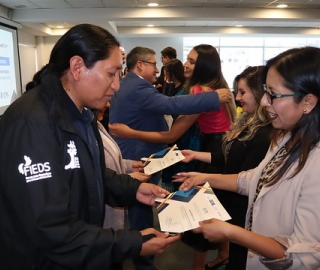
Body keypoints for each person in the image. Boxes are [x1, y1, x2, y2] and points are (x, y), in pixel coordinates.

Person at [0, 23, 180, 270]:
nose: (116, 85)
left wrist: (132, 189)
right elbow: (50, 228)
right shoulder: (32, 124)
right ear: (77, 67)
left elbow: (89, 171)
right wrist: (132, 243)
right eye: (111, 73)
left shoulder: (81, 113)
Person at [174, 46, 320, 270]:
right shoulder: (285, 138)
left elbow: (303, 256)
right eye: (265, 92)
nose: (264, 102)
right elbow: (254, 179)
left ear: (308, 102)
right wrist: (203, 177)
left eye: (274, 94)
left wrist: (231, 232)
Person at [109, 46, 232, 270]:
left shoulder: (136, 84)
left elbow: (173, 121)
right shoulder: (138, 86)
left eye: (191, 61)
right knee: (140, 208)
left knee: (212, 208)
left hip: (203, 150)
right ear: (140, 65)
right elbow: (171, 106)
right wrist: (213, 98)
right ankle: (144, 260)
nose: (159, 69)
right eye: (154, 64)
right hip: (141, 153)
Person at [180, 66, 272, 270]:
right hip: (235, 199)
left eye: (243, 92)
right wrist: (196, 155)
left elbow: (247, 178)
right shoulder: (248, 121)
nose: (237, 97)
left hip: (245, 205)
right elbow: (229, 158)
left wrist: (203, 177)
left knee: (242, 255)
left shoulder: (266, 133)